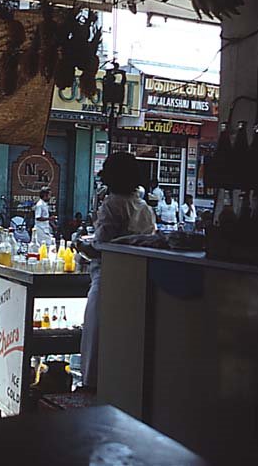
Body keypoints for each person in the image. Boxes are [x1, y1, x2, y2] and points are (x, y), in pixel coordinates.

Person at [76, 152, 156, 392]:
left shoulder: (113, 204)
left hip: (107, 280)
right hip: (135, 282)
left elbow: (101, 247)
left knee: (96, 341)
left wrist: (80, 246)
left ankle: (92, 388)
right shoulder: (144, 208)